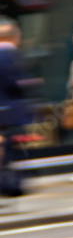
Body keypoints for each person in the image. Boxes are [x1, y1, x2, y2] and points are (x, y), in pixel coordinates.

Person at [0, 20, 34, 198]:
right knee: (10, 149)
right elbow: (17, 83)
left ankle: (10, 183)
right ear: (15, 36)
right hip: (9, 111)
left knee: (8, 149)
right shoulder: (9, 55)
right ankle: (10, 185)